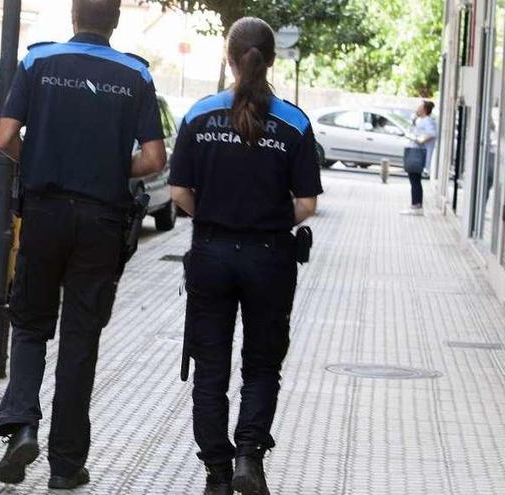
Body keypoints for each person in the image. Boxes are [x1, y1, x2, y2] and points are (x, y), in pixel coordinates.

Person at [0, 0, 166, 489]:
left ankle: (22, 425)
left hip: (44, 212)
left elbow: (5, 136)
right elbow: (154, 157)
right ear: (114, 20)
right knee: (80, 341)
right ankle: (66, 467)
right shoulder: (136, 75)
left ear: (73, 16)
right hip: (101, 222)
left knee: (29, 323)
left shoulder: (38, 62)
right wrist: (111, 168)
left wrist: (39, 158)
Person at [168, 17, 322, 495]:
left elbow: (177, 192)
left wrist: (213, 217)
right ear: (270, 61)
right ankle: (248, 458)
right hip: (270, 258)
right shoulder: (294, 122)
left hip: (211, 254)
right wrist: (270, 221)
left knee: (210, 368)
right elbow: (307, 203)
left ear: (229, 60)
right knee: (261, 364)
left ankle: (216, 470)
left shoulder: (198, 116)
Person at [401, 101, 438, 216]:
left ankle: (417, 206)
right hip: (415, 151)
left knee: (415, 180)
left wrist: (420, 139)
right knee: (414, 180)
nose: (417, 107)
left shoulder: (428, 120)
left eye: (419, 106)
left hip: (418, 153)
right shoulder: (420, 120)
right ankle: (415, 205)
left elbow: (432, 133)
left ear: (424, 109)